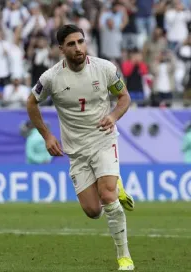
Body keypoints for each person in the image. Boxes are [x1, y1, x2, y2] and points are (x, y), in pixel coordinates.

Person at [26, 24, 135, 271]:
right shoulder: (51, 78)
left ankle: (124, 257)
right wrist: (46, 136)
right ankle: (115, 183)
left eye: (81, 42)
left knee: (107, 196)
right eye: (72, 44)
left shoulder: (105, 69)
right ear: (61, 49)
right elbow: (31, 103)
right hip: (76, 151)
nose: (78, 48)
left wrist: (114, 117)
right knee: (93, 211)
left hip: (104, 139)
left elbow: (124, 98)